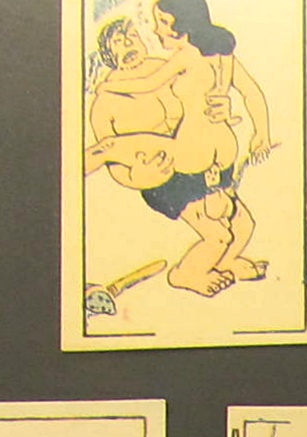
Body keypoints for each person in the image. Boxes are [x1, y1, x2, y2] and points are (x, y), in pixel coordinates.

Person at [85, 2, 274, 299]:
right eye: (119, 43)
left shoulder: (169, 64)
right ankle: (186, 275)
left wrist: (225, 106)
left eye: (132, 36)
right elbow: (113, 163)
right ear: (108, 55)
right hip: (167, 180)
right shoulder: (105, 103)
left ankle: (222, 264)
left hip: (203, 161)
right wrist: (137, 177)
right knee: (218, 235)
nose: (129, 44)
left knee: (243, 226)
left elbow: (211, 90)